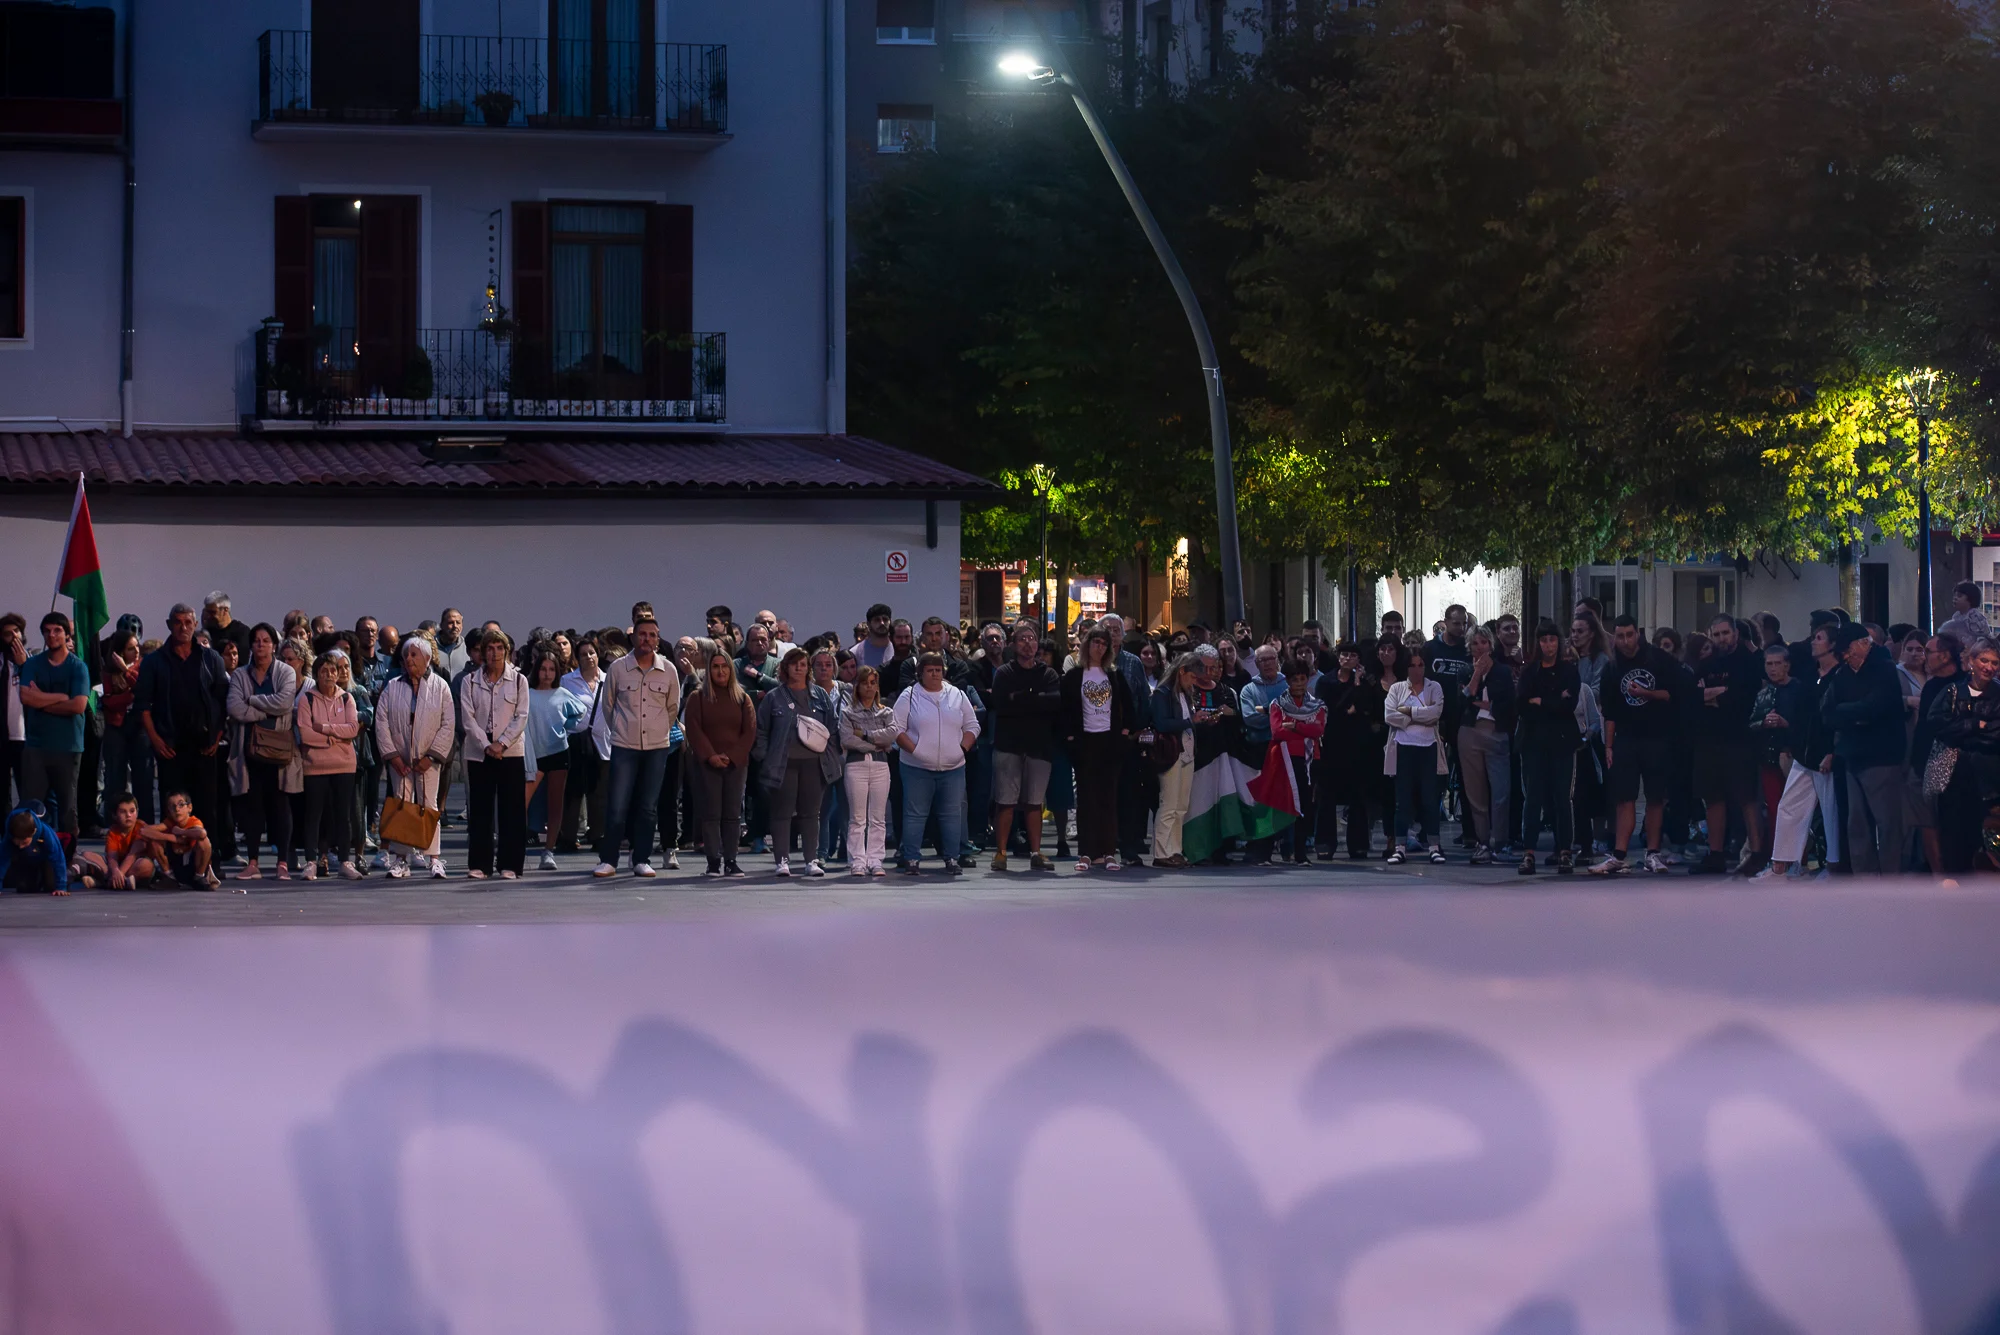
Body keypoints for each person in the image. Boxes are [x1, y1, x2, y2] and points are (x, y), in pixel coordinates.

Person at [591, 616, 681, 879]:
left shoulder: (669, 670)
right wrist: (622, 728)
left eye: (652, 635)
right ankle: (608, 860)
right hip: (624, 745)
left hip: (657, 746)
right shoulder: (618, 668)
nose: (647, 639)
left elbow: (672, 707)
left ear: (658, 639)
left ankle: (641, 859)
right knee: (617, 805)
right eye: (643, 634)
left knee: (648, 806)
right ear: (633, 637)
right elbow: (608, 705)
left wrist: (658, 730)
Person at [135, 603, 229, 855]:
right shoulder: (154, 661)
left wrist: (217, 735)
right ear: (169, 625)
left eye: (188, 622)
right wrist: (155, 739)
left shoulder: (211, 658)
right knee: (172, 809)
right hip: (170, 746)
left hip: (204, 745)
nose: (183, 627)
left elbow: (223, 701)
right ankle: (173, 865)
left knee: (206, 807)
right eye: (178, 622)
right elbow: (142, 705)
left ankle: (208, 863)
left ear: (195, 625)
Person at [1590, 615, 1679, 875]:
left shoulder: (1657, 659)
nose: (1626, 641)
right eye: (1620, 636)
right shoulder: (1612, 668)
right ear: (1615, 638)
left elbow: (1672, 694)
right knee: (1624, 798)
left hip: (1656, 737)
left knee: (1655, 798)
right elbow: (1609, 713)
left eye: (1630, 635)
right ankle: (1619, 855)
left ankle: (1653, 853)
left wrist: (1646, 693)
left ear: (1637, 634)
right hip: (1625, 739)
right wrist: (1608, 746)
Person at [1824, 622, 1908, 874]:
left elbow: (1875, 707)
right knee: (1857, 824)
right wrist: (1855, 715)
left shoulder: (1884, 669)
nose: (1845, 656)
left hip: (1882, 756)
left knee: (1887, 822)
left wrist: (1846, 713)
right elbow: (1827, 713)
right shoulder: (1842, 674)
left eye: (1848, 650)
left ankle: (1892, 878)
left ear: (1863, 644)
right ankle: (1865, 880)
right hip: (1853, 756)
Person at [752, 648, 843, 877]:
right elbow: (762, 730)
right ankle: (782, 861)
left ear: (808, 668)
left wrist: (831, 753)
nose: (798, 668)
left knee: (811, 814)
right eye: (794, 664)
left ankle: (811, 860)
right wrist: (764, 757)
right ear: (785, 668)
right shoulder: (774, 697)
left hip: (815, 764)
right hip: (783, 764)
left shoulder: (820, 695)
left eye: (803, 664)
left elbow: (833, 727)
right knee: (782, 813)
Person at [891, 651, 980, 875]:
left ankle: (952, 858)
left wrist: (961, 749)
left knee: (952, 815)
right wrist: (916, 751)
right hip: (916, 767)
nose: (934, 674)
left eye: (938, 670)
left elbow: (973, 725)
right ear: (920, 673)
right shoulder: (909, 695)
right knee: (915, 814)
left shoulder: (957, 694)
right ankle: (911, 858)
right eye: (929, 670)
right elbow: (896, 729)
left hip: (953, 768)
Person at [1690, 613, 1766, 874]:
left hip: (1741, 739)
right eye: (1717, 634)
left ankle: (1757, 853)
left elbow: (1743, 697)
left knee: (1747, 797)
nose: (1721, 638)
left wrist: (1713, 694)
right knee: (1712, 797)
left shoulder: (1749, 662)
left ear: (1735, 633)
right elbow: (1693, 696)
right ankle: (1716, 854)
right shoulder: (1706, 663)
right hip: (1709, 739)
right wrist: (1718, 693)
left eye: (1725, 633)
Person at [375, 638, 455, 879]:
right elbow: (381, 722)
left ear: (427, 658)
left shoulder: (440, 687)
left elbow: (448, 723)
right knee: (402, 805)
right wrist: (393, 756)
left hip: (428, 761)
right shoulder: (393, 686)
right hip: (400, 760)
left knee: (430, 806)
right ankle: (401, 859)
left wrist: (431, 756)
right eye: (406, 655)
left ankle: (434, 859)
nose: (409, 659)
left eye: (414, 654)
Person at [987, 622, 1062, 871]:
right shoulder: (1005, 673)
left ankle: (1036, 852)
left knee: (1034, 802)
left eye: (1031, 639)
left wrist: (1021, 697)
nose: (1027, 643)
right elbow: (1001, 704)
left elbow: (1054, 703)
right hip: (1009, 745)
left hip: (1039, 746)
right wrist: (1035, 699)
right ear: (1013, 644)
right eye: (1022, 639)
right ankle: (1001, 852)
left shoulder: (1048, 674)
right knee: (1005, 801)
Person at [225, 623, 298, 880]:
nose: (261, 645)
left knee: (280, 804)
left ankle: (282, 863)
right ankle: (253, 862)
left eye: (266, 640)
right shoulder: (239, 675)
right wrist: (266, 712)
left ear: (274, 646)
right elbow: (234, 707)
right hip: (248, 749)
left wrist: (254, 701)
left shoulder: (286, 672)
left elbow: (285, 702)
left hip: (278, 749)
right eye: (256, 640)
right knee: (252, 805)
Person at [1061, 625, 1136, 871]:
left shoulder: (1113, 674)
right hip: (1085, 743)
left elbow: (1129, 705)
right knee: (1086, 799)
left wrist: (1125, 733)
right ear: (1087, 644)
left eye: (1104, 644)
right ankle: (1086, 853)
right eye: (1096, 642)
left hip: (1110, 742)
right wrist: (1070, 737)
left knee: (1108, 798)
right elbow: (1065, 709)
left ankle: (1108, 852)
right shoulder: (1075, 675)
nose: (1100, 647)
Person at [461, 629, 530, 881]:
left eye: (500, 648)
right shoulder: (470, 681)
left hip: (510, 751)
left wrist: (501, 743)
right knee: (481, 809)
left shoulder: (519, 680)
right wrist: (486, 745)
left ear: (507, 651)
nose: (495, 653)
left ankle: (510, 863)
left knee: (512, 809)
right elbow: (468, 719)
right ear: (482, 652)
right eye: (490, 648)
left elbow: (521, 716)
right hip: (479, 752)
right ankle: (480, 863)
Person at [15, 611, 89, 845]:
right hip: (37, 745)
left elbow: (78, 705)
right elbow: (26, 697)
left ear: (67, 635)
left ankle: (67, 856)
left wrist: (41, 701)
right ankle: (29, 854)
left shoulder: (78, 667)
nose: (52, 635)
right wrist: (60, 697)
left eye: (57, 630)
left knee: (68, 809)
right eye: (47, 631)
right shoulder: (33, 664)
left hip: (68, 746)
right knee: (30, 808)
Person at [1928, 639, 2000, 871]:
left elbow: (1995, 734)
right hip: (1953, 776)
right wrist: (1975, 725)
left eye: (1994, 662)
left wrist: (1962, 731)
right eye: (1984, 660)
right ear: (1971, 661)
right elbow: (1937, 725)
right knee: (1953, 835)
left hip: (1989, 779)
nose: (1989, 667)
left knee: (1985, 841)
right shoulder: (1952, 691)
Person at [1515, 620, 1580, 873]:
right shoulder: (1529, 672)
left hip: (1562, 742)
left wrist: (1541, 701)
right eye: (1544, 640)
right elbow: (1522, 705)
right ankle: (1529, 853)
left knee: (1562, 798)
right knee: (1533, 798)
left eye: (1552, 640)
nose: (1548, 645)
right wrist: (1553, 700)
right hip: (1533, 742)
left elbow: (1568, 705)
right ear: (1538, 643)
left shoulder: (1569, 671)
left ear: (1558, 642)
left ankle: (1565, 851)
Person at [685, 648, 755, 878]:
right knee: (711, 813)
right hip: (706, 764)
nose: (720, 671)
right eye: (715, 667)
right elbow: (693, 729)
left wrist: (732, 756)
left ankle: (731, 861)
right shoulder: (698, 697)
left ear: (731, 670)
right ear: (709, 670)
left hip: (736, 765)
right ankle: (713, 861)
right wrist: (711, 756)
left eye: (724, 666)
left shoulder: (742, 698)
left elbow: (750, 731)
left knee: (732, 814)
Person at [296, 649, 363, 881]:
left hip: (344, 765)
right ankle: (311, 862)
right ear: (316, 674)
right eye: (324, 671)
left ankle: (345, 861)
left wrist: (324, 728)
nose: (329, 675)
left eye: (333, 670)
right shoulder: (307, 699)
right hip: (315, 766)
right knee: (314, 815)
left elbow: (353, 729)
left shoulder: (347, 698)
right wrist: (332, 739)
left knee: (343, 815)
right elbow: (305, 734)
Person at [1316, 640, 1386, 859]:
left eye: (1352, 656)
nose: (1347, 659)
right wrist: (1351, 704)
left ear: (1359, 660)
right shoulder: (1326, 681)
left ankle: (1358, 844)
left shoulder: (1366, 682)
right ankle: (1325, 843)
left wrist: (1358, 685)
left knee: (1358, 796)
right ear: (1338, 657)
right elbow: (1331, 708)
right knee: (1326, 796)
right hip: (1331, 744)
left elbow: (1368, 708)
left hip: (1357, 745)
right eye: (1344, 655)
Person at [523, 650, 589, 872]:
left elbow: (580, 713)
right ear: (537, 670)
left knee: (555, 804)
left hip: (558, 753)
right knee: (521, 802)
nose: (547, 673)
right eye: (543, 669)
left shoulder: (562, 693)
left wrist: (566, 728)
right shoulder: (528, 694)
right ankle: (512, 846)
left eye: (552, 669)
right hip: (534, 756)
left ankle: (548, 851)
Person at [1457, 626, 1515, 865]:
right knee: (1475, 792)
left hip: (1496, 733)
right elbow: (1463, 700)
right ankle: (1482, 842)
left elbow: (1508, 705)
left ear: (1490, 645)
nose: (1479, 647)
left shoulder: (1503, 672)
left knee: (1501, 791)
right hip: (1470, 733)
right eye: (1474, 643)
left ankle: (1500, 842)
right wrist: (1476, 674)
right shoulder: (1464, 670)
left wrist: (1481, 702)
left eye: (1483, 642)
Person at [1383, 647, 1446, 864]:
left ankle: (1434, 846)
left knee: (1430, 799)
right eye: (1412, 665)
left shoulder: (1434, 687)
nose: (1417, 669)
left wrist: (1408, 711)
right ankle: (1400, 847)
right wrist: (1420, 715)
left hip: (1428, 747)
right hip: (1403, 747)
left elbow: (1435, 714)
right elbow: (1390, 715)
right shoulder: (1397, 688)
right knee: (1403, 801)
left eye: (1421, 665)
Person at [840, 665, 899, 877]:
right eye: (865, 683)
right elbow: (847, 739)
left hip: (880, 766)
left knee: (878, 817)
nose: (869, 687)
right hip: (856, 764)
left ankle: (875, 860)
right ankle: (857, 860)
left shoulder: (886, 711)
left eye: (873, 683)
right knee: (857, 817)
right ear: (857, 686)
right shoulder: (847, 712)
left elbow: (892, 734)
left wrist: (864, 734)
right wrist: (876, 744)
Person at [1267, 663, 1325, 864]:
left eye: (1302, 679)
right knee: (1281, 805)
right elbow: (1277, 732)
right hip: (1284, 758)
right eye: (1294, 680)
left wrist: (1294, 726)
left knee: (1305, 807)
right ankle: (1273, 850)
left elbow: (1318, 730)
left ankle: (1301, 853)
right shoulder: (1277, 704)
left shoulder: (1317, 705)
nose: (1299, 683)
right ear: (1287, 681)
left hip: (1309, 760)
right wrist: (1305, 727)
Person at [1237, 644, 1290, 865]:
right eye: (1262, 660)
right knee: (1261, 801)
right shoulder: (1249, 690)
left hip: (1285, 748)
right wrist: (1278, 715)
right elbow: (1250, 718)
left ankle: (1289, 847)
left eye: (1271, 658)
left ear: (1278, 660)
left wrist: (1266, 711)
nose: (1267, 663)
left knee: (1285, 798)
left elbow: (1297, 713)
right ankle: (1259, 848)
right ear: (1256, 664)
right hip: (1259, 750)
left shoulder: (1289, 685)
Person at [97, 626, 152, 826]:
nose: (136, 651)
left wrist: (126, 671)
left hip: (140, 726)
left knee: (143, 777)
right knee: (115, 777)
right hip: (116, 726)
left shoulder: (143, 667)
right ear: (119, 651)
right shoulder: (107, 672)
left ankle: (145, 822)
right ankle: (115, 822)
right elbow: (108, 701)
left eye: (137, 646)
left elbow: (144, 689)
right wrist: (129, 696)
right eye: (130, 648)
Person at [556, 638, 606, 852]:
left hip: (603, 742)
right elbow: (560, 709)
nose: (588, 657)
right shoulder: (568, 680)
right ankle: (568, 836)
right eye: (584, 654)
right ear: (577, 658)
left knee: (599, 792)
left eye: (592, 653)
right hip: (576, 740)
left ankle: (598, 835)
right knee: (573, 791)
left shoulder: (608, 679)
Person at [73, 790, 155, 890]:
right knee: (87, 855)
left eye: (132, 811)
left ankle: (106, 883)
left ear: (137, 812)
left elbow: (132, 855)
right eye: (123, 812)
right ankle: (121, 882)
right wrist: (116, 871)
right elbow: (112, 857)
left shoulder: (141, 827)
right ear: (114, 815)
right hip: (115, 868)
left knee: (146, 865)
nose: (128, 815)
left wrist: (119, 873)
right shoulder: (113, 831)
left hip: (133, 866)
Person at [139, 788, 216, 889]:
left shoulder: (193, 821)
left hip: (193, 865)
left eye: (181, 805)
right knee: (154, 842)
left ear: (189, 807)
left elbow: (201, 833)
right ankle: (170, 877)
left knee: (204, 842)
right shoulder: (169, 822)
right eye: (172, 806)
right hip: (177, 865)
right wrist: (173, 838)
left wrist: (181, 832)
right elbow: (144, 831)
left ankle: (199, 876)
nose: (177, 809)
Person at [2, 802, 68, 894]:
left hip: (46, 858)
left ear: (33, 832)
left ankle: (75, 870)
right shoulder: (9, 836)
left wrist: (61, 887)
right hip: (27, 859)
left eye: (24, 842)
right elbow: (2, 860)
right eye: (17, 842)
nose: (20, 846)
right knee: (25, 888)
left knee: (51, 885)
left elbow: (58, 858)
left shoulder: (46, 833)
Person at [1937, 581, 1990, 648]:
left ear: (1971, 599)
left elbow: (1983, 639)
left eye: (1959, 596)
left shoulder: (1975, 617)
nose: (1955, 598)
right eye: (1954, 595)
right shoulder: (1957, 616)